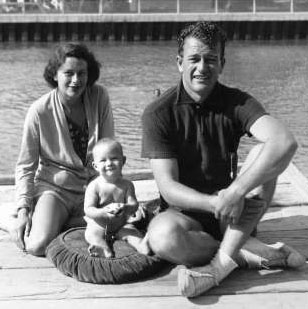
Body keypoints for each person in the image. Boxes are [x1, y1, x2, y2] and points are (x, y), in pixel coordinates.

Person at [141, 21, 305, 298]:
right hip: (185, 215)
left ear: (222, 63)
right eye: (194, 59)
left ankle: (219, 266)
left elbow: (285, 142)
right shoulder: (158, 113)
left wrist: (235, 192)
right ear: (180, 62)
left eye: (211, 59)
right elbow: (168, 188)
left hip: (234, 213)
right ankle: (248, 252)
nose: (202, 67)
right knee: (161, 238)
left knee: (263, 153)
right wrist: (213, 202)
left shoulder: (237, 102)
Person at [0, 43, 114, 257]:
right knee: (36, 245)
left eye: (82, 73)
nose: (76, 80)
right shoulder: (39, 111)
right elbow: (26, 166)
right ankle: (12, 220)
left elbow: (109, 151)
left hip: (92, 187)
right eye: (68, 73)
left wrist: (113, 191)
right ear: (54, 75)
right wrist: (23, 209)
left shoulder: (99, 97)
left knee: (122, 224)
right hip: (55, 189)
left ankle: (61, 223)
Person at [84, 138, 149, 258]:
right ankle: (102, 248)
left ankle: (142, 245)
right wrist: (103, 211)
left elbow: (134, 205)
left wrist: (125, 207)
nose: (109, 163)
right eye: (103, 160)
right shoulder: (94, 186)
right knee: (91, 234)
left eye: (114, 158)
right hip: (100, 224)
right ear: (95, 166)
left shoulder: (127, 185)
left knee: (132, 233)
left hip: (121, 224)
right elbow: (88, 209)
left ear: (123, 161)